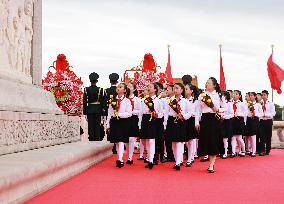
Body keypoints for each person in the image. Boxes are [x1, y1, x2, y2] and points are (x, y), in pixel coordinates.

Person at [195, 77, 222, 173]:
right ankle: (207, 159)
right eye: (206, 83)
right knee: (206, 140)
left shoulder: (218, 95)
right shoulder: (202, 95)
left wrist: (216, 108)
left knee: (213, 140)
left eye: (209, 83)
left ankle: (211, 165)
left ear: (214, 85)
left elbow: (221, 108)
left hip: (214, 119)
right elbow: (198, 109)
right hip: (205, 119)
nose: (207, 84)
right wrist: (197, 122)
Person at [106, 83, 132, 168]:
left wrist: (119, 114)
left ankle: (120, 159)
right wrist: (107, 124)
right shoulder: (112, 100)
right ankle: (119, 157)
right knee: (116, 141)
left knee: (121, 140)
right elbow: (109, 113)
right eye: (117, 87)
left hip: (123, 122)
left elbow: (129, 113)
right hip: (114, 122)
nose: (118, 88)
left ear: (124, 90)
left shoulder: (127, 101)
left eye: (120, 87)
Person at [140, 83, 163, 169]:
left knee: (151, 140)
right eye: (148, 87)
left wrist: (156, 114)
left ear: (155, 90)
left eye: (150, 87)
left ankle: (151, 160)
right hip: (146, 119)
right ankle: (149, 157)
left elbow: (161, 113)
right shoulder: (144, 100)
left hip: (154, 120)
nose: (148, 88)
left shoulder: (158, 101)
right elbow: (142, 111)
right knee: (146, 141)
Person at [83, 72, 105, 141]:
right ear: (97, 81)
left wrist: (85, 111)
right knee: (97, 124)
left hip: (89, 109)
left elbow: (84, 101)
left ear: (90, 80)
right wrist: (102, 111)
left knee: (90, 125)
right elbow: (102, 101)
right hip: (98, 109)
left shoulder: (86, 89)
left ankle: (91, 138)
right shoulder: (100, 90)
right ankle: (97, 137)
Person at [126, 82, 141, 164]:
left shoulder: (137, 100)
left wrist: (132, 111)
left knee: (131, 138)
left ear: (134, 89)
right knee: (126, 140)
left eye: (130, 86)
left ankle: (130, 157)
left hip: (133, 119)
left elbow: (140, 111)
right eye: (127, 86)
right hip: (125, 119)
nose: (128, 88)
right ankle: (128, 155)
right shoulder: (124, 99)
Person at [105, 73, 120, 154]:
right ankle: (118, 145)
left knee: (110, 127)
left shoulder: (106, 90)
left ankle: (111, 145)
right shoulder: (119, 89)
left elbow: (105, 102)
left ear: (110, 81)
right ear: (117, 81)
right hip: (119, 111)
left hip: (109, 111)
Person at [184, 84, 199, 167]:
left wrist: (196, 123)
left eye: (186, 89)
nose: (185, 90)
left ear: (191, 91)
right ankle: (191, 155)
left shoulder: (195, 101)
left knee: (191, 140)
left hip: (192, 121)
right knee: (185, 141)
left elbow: (197, 113)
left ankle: (190, 158)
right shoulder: (183, 100)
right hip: (184, 120)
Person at [245, 92, 263, 157]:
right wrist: (249, 114)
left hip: (255, 120)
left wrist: (255, 114)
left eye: (252, 95)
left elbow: (261, 114)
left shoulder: (258, 104)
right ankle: (249, 150)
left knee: (253, 136)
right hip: (249, 120)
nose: (250, 97)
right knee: (249, 136)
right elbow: (246, 112)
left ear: (255, 97)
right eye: (250, 96)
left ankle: (254, 151)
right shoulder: (248, 104)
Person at [259, 90, 276, 156]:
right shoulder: (260, 103)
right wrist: (261, 115)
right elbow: (258, 112)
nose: (263, 96)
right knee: (262, 136)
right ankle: (262, 150)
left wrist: (266, 114)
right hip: (261, 121)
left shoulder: (271, 103)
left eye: (264, 95)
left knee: (268, 136)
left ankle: (268, 150)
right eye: (262, 95)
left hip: (268, 121)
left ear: (267, 95)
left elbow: (273, 113)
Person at [231, 90, 247, 158]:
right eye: (233, 94)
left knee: (239, 137)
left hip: (239, 120)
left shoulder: (242, 104)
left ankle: (243, 151)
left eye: (236, 94)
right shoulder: (230, 103)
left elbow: (245, 113)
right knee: (233, 137)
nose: (234, 95)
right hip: (232, 120)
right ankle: (233, 152)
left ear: (240, 96)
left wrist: (238, 114)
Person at [154, 82, 167, 164]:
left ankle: (162, 156)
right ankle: (154, 157)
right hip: (153, 120)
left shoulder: (163, 99)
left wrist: (165, 123)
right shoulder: (154, 98)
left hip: (161, 120)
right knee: (153, 139)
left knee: (160, 139)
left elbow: (165, 112)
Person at [220, 91, 234, 159]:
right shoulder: (220, 103)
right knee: (221, 138)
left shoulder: (229, 104)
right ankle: (221, 151)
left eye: (223, 95)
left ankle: (226, 152)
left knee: (226, 138)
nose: (222, 96)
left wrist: (224, 116)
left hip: (227, 122)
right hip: (220, 122)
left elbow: (232, 114)